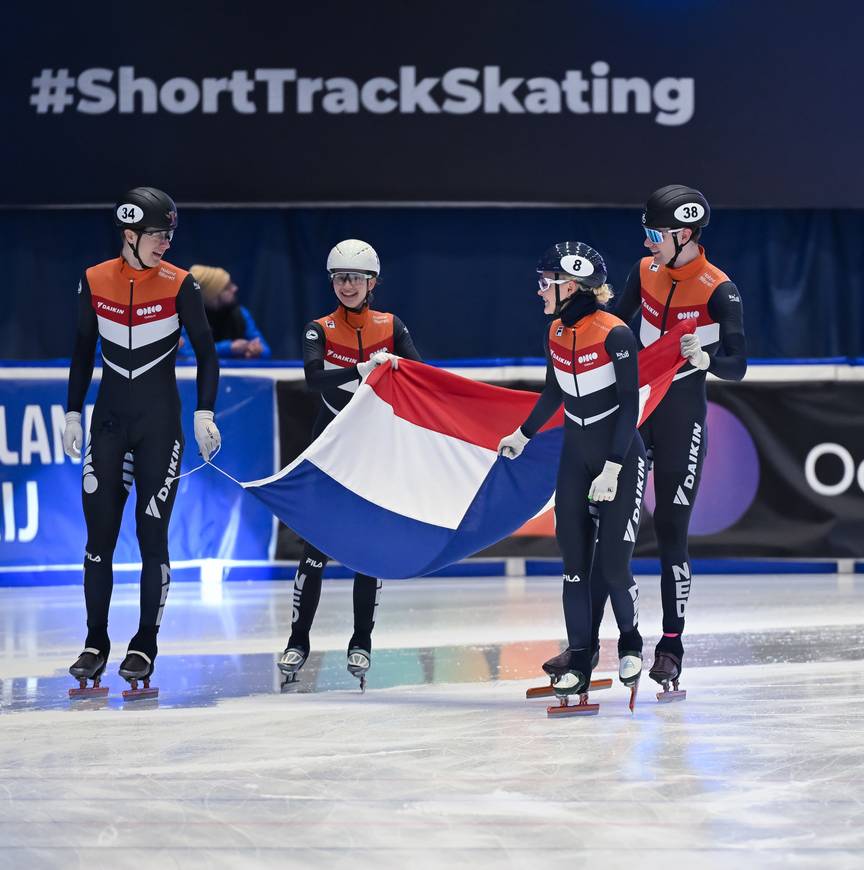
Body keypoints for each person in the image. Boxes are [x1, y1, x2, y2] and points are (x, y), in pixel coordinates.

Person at [63, 187, 221, 696]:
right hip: (107, 425)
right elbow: (84, 349)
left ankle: (144, 643)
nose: (166, 244)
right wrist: (71, 412)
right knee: (98, 543)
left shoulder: (182, 285)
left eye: (170, 235)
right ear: (129, 235)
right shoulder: (94, 279)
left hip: (159, 428)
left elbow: (207, 354)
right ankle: (94, 643)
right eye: (158, 235)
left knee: (152, 538)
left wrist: (203, 413)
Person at [606, 184, 747, 695]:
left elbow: (740, 364)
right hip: (638, 411)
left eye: (654, 234)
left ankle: (671, 646)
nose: (647, 243)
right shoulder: (643, 271)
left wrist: (709, 360)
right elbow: (617, 323)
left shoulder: (718, 288)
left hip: (682, 418)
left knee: (670, 531)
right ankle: (613, 641)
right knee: (611, 525)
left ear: (683, 234)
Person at [498, 242, 646, 706]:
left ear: (572, 285)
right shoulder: (556, 332)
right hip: (575, 455)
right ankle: (580, 660)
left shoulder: (615, 333)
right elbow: (552, 391)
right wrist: (523, 433)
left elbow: (630, 404)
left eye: (546, 282)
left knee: (614, 565)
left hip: (618, 456)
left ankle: (630, 643)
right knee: (574, 567)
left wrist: (616, 466)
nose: (539, 290)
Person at [278, 239, 421, 689]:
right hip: (333, 447)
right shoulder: (318, 328)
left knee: (366, 551)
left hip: (374, 448)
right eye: (339, 278)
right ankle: (298, 640)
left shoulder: (392, 325)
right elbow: (313, 377)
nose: (346, 286)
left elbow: (420, 374)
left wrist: (398, 362)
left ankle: (362, 641)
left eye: (355, 279)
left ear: (371, 283)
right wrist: (359, 370)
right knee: (315, 550)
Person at [177, 265, 271, 360]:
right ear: (212, 295)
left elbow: (265, 350)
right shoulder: (187, 318)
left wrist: (258, 350)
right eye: (227, 287)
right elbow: (187, 354)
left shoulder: (240, 314)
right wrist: (229, 348)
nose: (235, 288)